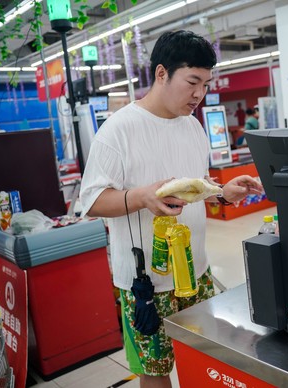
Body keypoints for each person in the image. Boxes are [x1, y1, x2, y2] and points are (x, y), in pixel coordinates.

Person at [79, 30, 262, 388]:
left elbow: (194, 188)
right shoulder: (119, 131)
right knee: (156, 372)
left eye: (207, 84)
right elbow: (92, 201)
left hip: (197, 271)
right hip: (146, 281)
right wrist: (140, 197)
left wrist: (222, 192)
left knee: (209, 362)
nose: (199, 94)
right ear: (161, 73)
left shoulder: (193, 128)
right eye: (193, 81)